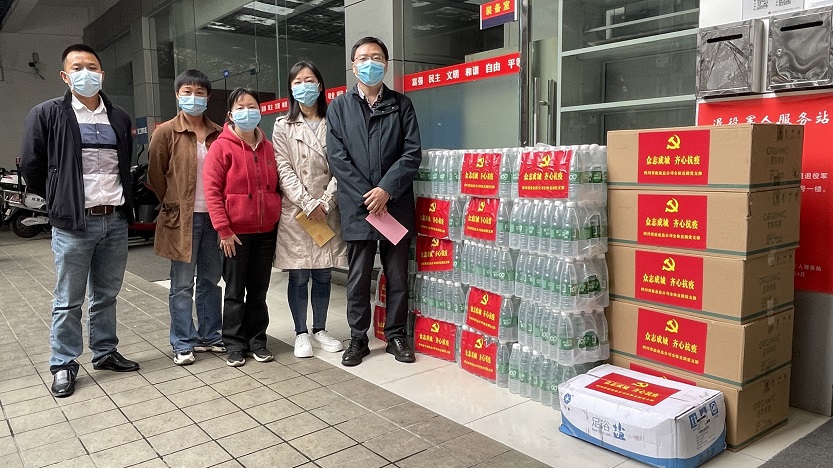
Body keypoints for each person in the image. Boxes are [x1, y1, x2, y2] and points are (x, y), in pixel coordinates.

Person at [20, 44, 140, 398]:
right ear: (65, 75)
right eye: (77, 67)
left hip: (114, 220)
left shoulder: (119, 116)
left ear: (102, 73)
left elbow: (123, 164)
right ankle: (63, 363)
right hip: (74, 223)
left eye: (92, 67)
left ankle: (105, 352)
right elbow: (32, 166)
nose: (85, 72)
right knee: (68, 300)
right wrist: (61, 200)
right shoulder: (47, 114)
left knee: (106, 295)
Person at [326, 37, 422, 367]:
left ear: (386, 63)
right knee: (358, 278)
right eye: (364, 58)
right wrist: (368, 196)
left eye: (377, 57)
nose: (370, 63)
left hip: (394, 205)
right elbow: (337, 158)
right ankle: (358, 338)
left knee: (397, 276)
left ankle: (396, 335)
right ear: (353, 66)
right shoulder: (339, 107)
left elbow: (411, 153)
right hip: (358, 207)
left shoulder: (402, 105)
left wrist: (385, 191)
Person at [148, 70, 225, 366]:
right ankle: (182, 341)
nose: (194, 97)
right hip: (182, 220)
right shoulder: (166, 132)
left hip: (215, 219)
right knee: (181, 284)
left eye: (200, 92)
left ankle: (210, 335)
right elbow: (156, 176)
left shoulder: (219, 132)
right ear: (177, 95)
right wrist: (173, 202)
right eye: (187, 92)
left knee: (211, 280)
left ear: (208, 97)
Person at [273, 61, 347, 358]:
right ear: (291, 89)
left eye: (309, 80)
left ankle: (320, 329)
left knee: (323, 272)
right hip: (298, 212)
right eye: (297, 82)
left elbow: (343, 165)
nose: (304, 86)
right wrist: (308, 202)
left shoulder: (336, 121)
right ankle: (300, 332)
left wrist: (326, 201)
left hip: (328, 209)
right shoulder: (282, 125)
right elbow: (283, 168)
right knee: (299, 274)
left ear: (320, 85)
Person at [203, 87, 281, 367]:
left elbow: (277, 187)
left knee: (259, 291)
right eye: (240, 107)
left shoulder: (269, 147)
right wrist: (223, 229)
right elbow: (212, 191)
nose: (247, 112)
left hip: (265, 232)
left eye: (252, 107)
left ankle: (258, 341)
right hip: (234, 234)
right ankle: (234, 344)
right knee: (235, 292)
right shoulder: (221, 147)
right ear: (230, 114)